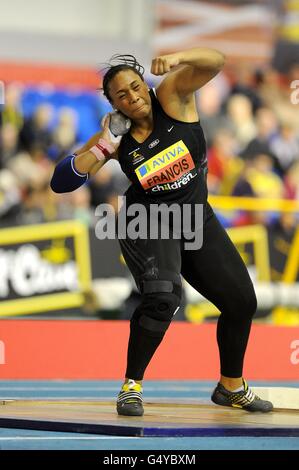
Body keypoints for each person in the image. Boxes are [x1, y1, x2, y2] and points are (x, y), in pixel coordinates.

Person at [51, 49, 273, 416]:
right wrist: (105, 144)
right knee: (164, 296)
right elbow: (61, 182)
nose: (133, 97)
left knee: (242, 303)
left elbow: (216, 62)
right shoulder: (117, 134)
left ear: (145, 84)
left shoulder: (172, 97)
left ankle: (230, 386)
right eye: (122, 95)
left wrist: (179, 58)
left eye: (136, 87)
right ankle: (131, 386)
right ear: (113, 103)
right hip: (147, 222)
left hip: (196, 219)